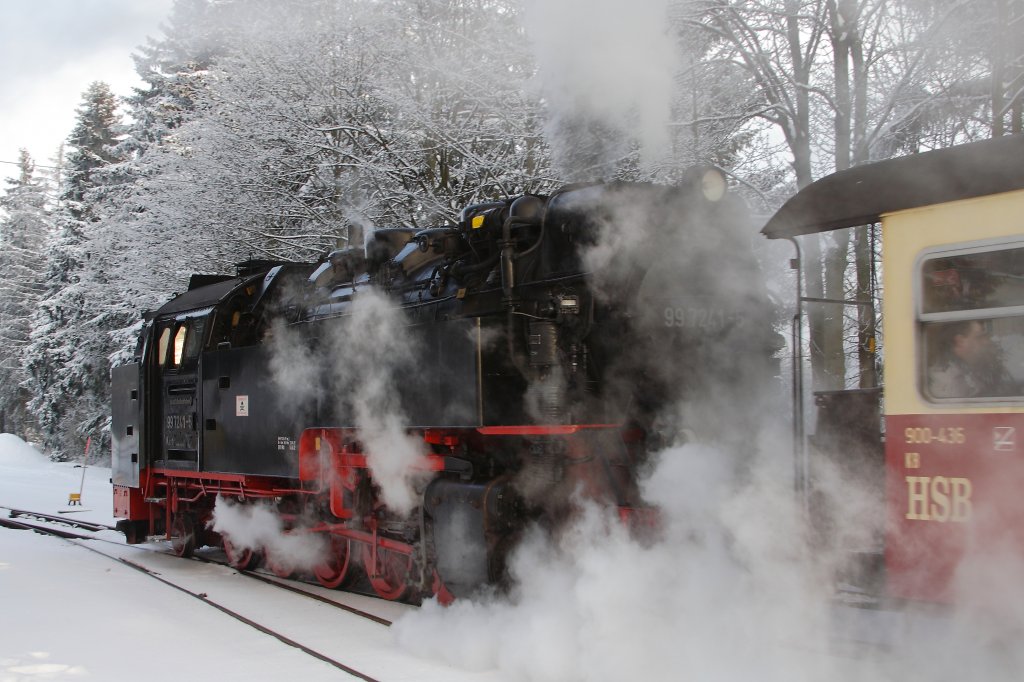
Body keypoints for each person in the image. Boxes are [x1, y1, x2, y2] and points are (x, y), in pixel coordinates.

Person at [928, 319, 1016, 398]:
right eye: (980, 337)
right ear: (960, 342)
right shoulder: (951, 384)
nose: (987, 342)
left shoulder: (972, 367)